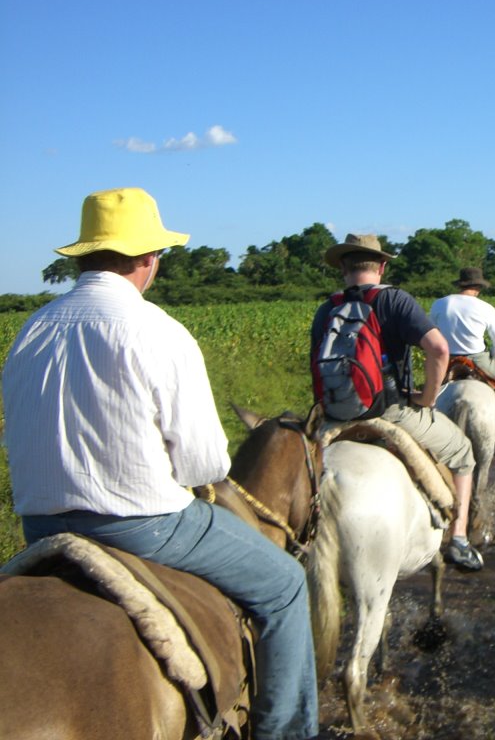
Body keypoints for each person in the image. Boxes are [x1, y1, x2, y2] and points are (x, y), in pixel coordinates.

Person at [2, 187, 319, 740]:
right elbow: (204, 463)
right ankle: (290, 732)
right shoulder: (159, 332)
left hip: (40, 528)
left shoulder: (31, 330)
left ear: (81, 257)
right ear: (149, 259)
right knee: (288, 584)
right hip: (148, 529)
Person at [311, 234, 483, 571]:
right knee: (463, 453)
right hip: (389, 409)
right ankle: (459, 539)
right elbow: (439, 349)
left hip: (333, 414)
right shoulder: (394, 300)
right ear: (382, 265)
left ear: (343, 268)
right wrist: (427, 398)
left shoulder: (326, 308)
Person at [429, 267, 495, 458]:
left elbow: (430, 335)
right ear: (478, 287)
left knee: (426, 396)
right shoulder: (485, 308)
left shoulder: (440, 304)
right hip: (477, 358)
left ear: (460, 285)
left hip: (446, 358)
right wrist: (490, 358)